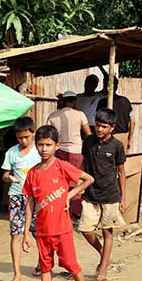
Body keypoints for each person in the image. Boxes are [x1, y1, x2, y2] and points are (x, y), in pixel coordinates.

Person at [22, 125, 102, 281]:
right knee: (45, 268)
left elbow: (88, 179)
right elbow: (30, 203)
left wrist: (70, 194)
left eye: (48, 145)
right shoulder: (32, 173)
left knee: (72, 267)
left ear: (56, 146)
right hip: (41, 231)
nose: (44, 149)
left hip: (62, 229)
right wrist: (25, 233)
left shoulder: (61, 166)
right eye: (40, 145)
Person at [79, 108, 127, 281]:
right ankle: (103, 254)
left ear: (112, 128)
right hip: (90, 194)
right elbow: (84, 165)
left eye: (103, 126)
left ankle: (103, 268)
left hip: (110, 195)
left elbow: (121, 172)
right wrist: (79, 186)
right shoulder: (89, 142)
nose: (99, 129)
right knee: (86, 230)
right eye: (97, 125)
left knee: (107, 231)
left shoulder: (117, 146)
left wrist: (122, 198)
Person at [1, 117, 41, 281]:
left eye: (26, 137)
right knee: (15, 234)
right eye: (20, 138)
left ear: (33, 133)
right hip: (17, 197)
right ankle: (17, 274)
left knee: (39, 232)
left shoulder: (40, 151)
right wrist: (9, 178)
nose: (23, 141)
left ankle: (42, 264)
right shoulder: (11, 153)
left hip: (37, 198)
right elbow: (5, 174)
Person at [47, 90, 92, 218]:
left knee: (61, 181)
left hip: (59, 151)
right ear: (74, 101)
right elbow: (88, 134)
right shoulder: (80, 115)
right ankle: (76, 210)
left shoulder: (53, 116)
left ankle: (61, 209)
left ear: (63, 101)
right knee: (77, 181)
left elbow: (47, 135)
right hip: (77, 151)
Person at [96, 78, 135, 152]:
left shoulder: (102, 102)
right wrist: (129, 139)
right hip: (122, 137)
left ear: (106, 86)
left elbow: (97, 120)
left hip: (106, 137)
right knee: (121, 161)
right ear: (116, 86)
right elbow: (133, 121)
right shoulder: (125, 101)